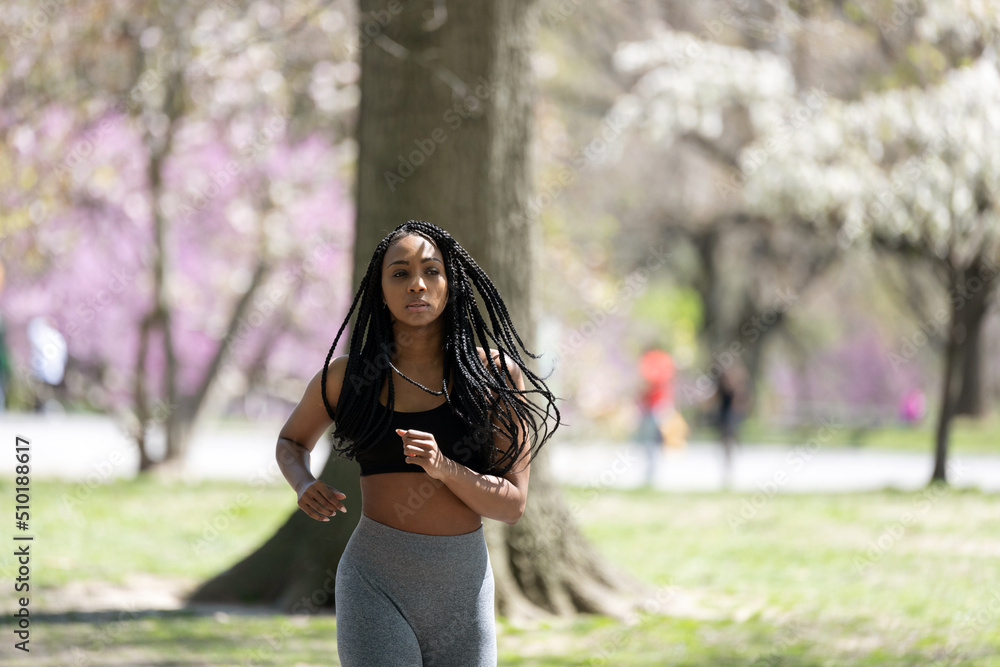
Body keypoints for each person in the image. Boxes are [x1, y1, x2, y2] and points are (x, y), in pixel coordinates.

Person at [275, 220, 560, 666]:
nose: (418, 285)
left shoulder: (494, 377)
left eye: (432, 271)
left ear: (452, 285)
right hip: (375, 583)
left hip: (463, 590)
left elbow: (512, 505)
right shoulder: (348, 378)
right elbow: (292, 441)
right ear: (380, 289)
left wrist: (446, 468)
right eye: (400, 273)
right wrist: (302, 483)